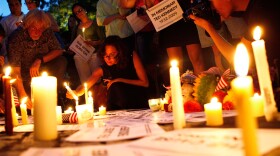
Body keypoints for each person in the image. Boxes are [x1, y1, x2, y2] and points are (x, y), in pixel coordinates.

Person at [189, 0, 280, 110]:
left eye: (211, 3)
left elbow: (235, 58)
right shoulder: (252, 12)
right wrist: (209, 27)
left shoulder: (262, 10)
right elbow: (237, 58)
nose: (212, 9)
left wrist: (209, 28)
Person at [66, 36, 149, 110]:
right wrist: (76, 92)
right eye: (105, 55)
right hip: (117, 105)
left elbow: (145, 83)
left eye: (112, 54)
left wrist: (119, 80)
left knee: (116, 85)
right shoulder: (103, 70)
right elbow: (86, 85)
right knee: (115, 88)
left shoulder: (131, 56)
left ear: (120, 52)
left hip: (137, 98)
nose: (108, 58)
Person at [7, 9, 67, 109]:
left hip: (43, 73)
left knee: (61, 61)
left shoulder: (47, 32)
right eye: (34, 28)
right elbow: (15, 70)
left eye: (41, 29)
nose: (38, 32)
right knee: (30, 108)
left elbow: (59, 50)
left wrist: (39, 60)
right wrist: (23, 94)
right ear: (27, 25)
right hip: (24, 78)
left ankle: (52, 95)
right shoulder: (16, 37)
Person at [71, 3, 106, 84]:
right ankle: (86, 88)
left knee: (96, 79)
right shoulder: (76, 28)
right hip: (81, 55)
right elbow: (73, 43)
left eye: (80, 10)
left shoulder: (95, 24)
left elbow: (103, 40)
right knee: (85, 80)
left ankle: (98, 90)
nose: (79, 13)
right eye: (76, 13)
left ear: (85, 10)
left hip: (94, 54)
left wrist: (93, 43)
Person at [0, 0, 25, 65]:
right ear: (8, 6)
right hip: (10, 54)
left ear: (21, 4)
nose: (14, 7)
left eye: (16, 4)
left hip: (26, 51)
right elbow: (2, 40)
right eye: (11, 5)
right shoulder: (4, 21)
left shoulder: (27, 18)